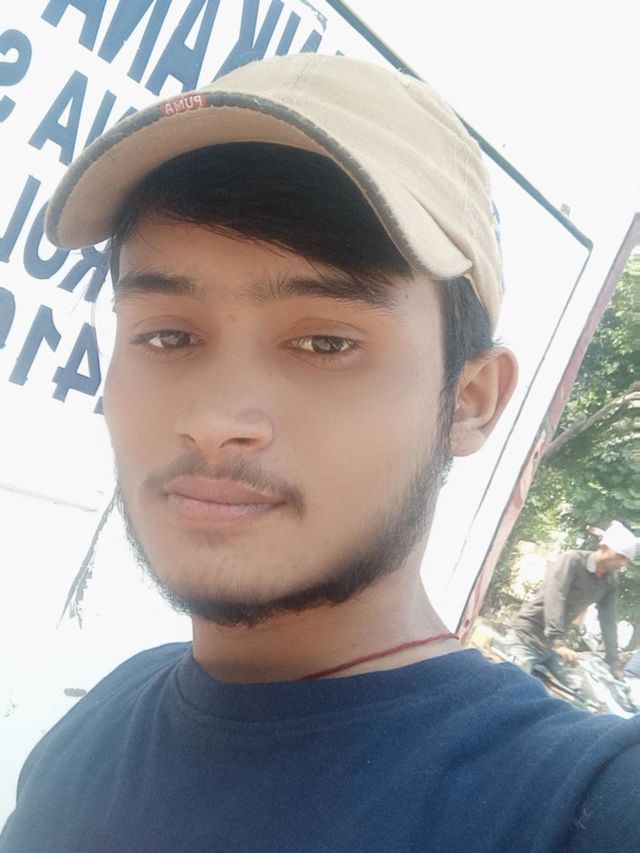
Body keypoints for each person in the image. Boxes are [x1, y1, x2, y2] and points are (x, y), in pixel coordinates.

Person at [1, 54, 638, 853]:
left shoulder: (572, 805)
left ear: (470, 400)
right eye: (167, 336)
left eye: (324, 342)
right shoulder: (95, 726)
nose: (213, 420)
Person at [509, 520, 638, 692]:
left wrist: (614, 662)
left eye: (627, 560)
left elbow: (608, 619)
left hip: (553, 648)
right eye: (620, 556)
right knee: (513, 688)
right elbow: (556, 596)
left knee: (590, 692)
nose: (622, 564)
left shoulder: (610, 581)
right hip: (528, 636)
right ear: (604, 546)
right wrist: (557, 641)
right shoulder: (572, 560)